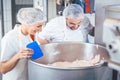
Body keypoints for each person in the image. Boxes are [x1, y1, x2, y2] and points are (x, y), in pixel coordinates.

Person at [0, 8, 46, 80]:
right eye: (38, 26)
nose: (41, 30)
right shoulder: (10, 38)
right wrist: (18, 56)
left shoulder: (32, 34)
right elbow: (2, 69)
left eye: (42, 26)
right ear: (27, 23)